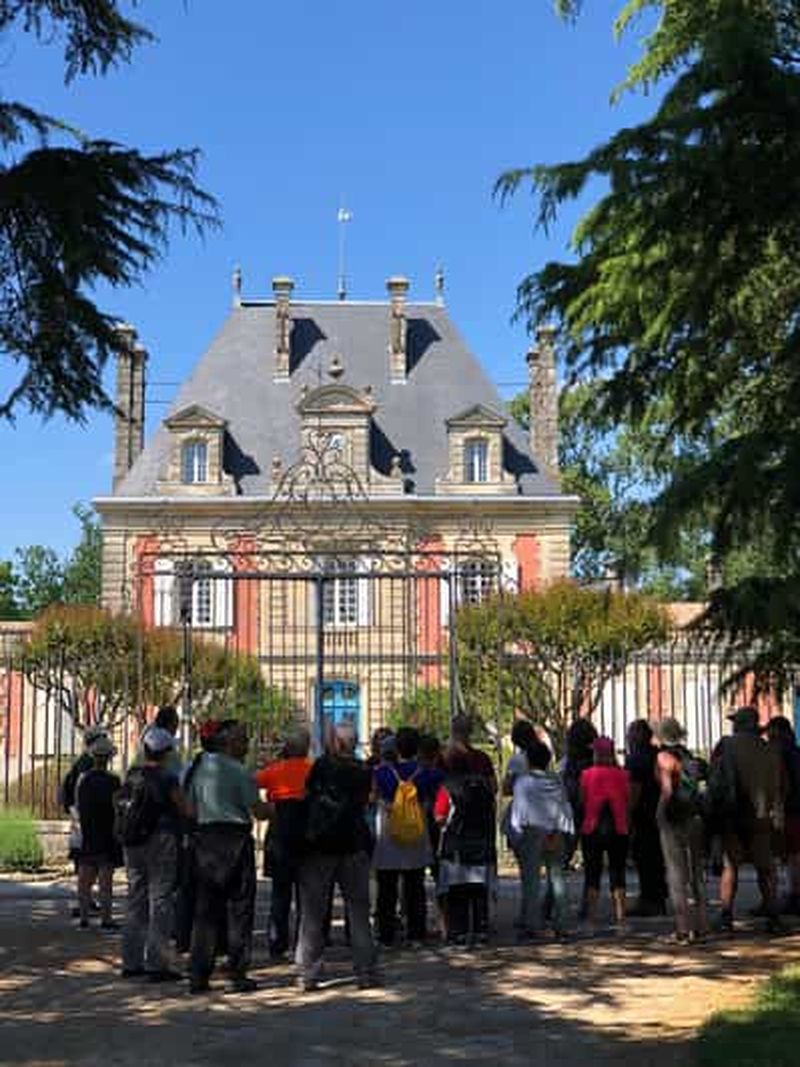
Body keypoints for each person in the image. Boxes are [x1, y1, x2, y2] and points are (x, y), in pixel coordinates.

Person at [186, 719, 270, 994]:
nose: (247, 745)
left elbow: (189, 807)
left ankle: (199, 974)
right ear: (229, 743)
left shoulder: (199, 768)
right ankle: (237, 971)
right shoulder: (240, 772)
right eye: (243, 739)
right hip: (235, 840)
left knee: (205, 910)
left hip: (206, 839)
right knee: (239, 908)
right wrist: (278, 809)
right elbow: (257, 810)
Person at [295, 722, 377, 992]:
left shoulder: (322, 766)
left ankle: (309, 972)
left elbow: (307, 795)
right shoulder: (363, 770)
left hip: (322, 844)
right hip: (353, 843)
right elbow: (366, 801)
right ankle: (366, 971)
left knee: (313, 911)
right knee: (359, 911)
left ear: (338, 743)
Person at [120, 726, 187, 981]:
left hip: (132, 841)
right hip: (161, 840)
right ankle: (157, 963)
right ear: (166, 752)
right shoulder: (167, 777)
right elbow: (186, 808)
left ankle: (130, 961)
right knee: (160, 899)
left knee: (135, 898)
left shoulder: (132, 774)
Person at [710, 706, 784, 933]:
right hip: (762, 816)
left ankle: (726, 915)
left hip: (734, 815)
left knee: (730, 867)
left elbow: (715, 779)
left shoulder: (726, 746)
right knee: (766, 869)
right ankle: (772, 915)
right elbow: (781, 785)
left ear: (739, 724)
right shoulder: (770, 750)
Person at [372, 726, 438, 947]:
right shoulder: (427, 773)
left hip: (389, 833)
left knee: (386, 887)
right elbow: (434, 794)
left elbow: (373, 796)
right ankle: (416, 934)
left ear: (395, 747)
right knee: (415, 885)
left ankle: (386, 934)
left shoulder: (381, 773)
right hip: (416, 830)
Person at [255, 725, 313, 960]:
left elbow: (253, 782)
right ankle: (304, 942)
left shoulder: (274, 770)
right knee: (305, 894)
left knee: (280, 892)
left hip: (280, 830)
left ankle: (277, 943)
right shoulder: (313, 769)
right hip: (306, 833)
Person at [508, 738, 574, 940]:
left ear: (528, 761)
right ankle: (562, 923)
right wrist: (561, 828)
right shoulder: (555, 780)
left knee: (531, 882)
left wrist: (515, 833)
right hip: (555, 831)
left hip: (531, 832)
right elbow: (563, 804)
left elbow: (519, 811)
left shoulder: (523, 782)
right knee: (557, 879)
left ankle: (533, 925)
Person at [434, 746, 497, 948]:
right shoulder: (485, 786)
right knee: (479, 891)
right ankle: (480, 930)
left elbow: (439, 816)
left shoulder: (447, 787)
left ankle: (459, 932)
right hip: (481, 844)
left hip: (457, 847)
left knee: (457, 892)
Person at [654, 717, 708, 943]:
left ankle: (682, 928)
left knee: (676, 874)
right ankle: (702, 926)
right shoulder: (688, 756)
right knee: (697, 873)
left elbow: (667, 790)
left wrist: (659, 813)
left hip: (674, 818)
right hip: (694, 815)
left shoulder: (663, 757)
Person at [579, 736, 630, 932]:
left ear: (596, 753)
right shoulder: (623, 775)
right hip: (619, 827)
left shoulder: (586, 774)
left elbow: (582, 800)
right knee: (618, 873)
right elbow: (628, 800)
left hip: (592, 827)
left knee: (592, 874)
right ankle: (621, 920)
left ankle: (591, 920)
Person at [62, 723, 109, 919]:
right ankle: (86, 902)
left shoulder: (83, 761)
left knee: (85, 861)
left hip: (79, 816)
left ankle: (86, 902)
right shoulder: (88, 764)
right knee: (88, 862)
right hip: (85, 819)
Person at [74, 734, 121, 930]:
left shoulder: (83, 780)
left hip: (88, 829)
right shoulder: (114, 781)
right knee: (105, 878)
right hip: (106, 830)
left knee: (84, 876)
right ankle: (106, 918)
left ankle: (84, 917)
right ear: (108, 758)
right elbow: (117, 807)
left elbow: (77, 804)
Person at [625, 719, 668, 916]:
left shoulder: (636, 759)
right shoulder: (656, 754)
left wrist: (628, 815)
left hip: (643, 813)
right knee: (657, 857)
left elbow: (634, 790)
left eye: (630, 733)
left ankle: (649, 900)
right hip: (660, 810)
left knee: (645, 857)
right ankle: (658, 897)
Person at [766, 716, 800, 914]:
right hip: (796, 808)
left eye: (771, 731)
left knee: (791, 856)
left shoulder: (780, 752)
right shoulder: (795, 751)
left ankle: (794, 895)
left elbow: (781, 784)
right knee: (794, 854)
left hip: (790, 809)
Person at [450, 714, 497, 793]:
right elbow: (494, 787)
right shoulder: (482, 758)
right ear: (471, 731)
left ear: (452, 731)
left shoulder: (444, 759)